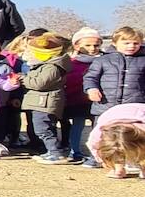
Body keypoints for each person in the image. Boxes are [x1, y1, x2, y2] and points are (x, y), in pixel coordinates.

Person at [84, 26, 145, 135]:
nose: (131, 46)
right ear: (115, 43)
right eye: (126, 43)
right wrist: (91, 89)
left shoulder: (143, 60)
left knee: (133, 138)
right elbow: (90, 77)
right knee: (103, 137)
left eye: (136, 43)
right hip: (105, 106)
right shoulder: (102, 60)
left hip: (134, 108)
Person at [22, 33, 72, 165]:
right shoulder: (45, 65)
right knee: (44, 128)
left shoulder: (51, 67)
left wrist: (23, 78)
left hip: (44, 103)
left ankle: (55, 153)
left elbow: (39, 83)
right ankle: (51, 151)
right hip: (41, 102)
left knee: (43, 129)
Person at [64, 28, 102, 165]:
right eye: (88, 45)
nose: (92, 48)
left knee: (97, 127)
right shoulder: (71, 62)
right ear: (77, 45)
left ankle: (97, 153)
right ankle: (75, 151)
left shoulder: (105, 60)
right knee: (78, 125)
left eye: (96, 45)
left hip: (99, 100)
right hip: (77, 99)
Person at [86, 102, 145, 179]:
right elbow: (92, 145)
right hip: (112, 115)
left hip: (140, 114)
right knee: (113, 150)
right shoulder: (99, 133)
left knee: (141, 151)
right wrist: (101, 160)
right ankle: (117, 169)